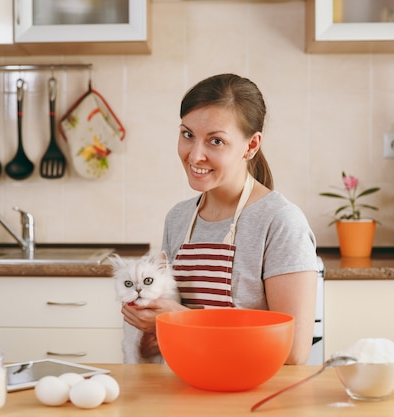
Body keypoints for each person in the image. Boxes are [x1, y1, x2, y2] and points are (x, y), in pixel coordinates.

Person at [121, 73, 318, 365]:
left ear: (251, 146)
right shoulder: (178, 218)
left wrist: (179, 319)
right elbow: (168, 339)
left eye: (215, 141)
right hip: (188, 384)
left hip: (251, 396)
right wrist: (148, 325)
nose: (195, 155)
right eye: (188, 135)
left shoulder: (280, 221)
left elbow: (293, 352)